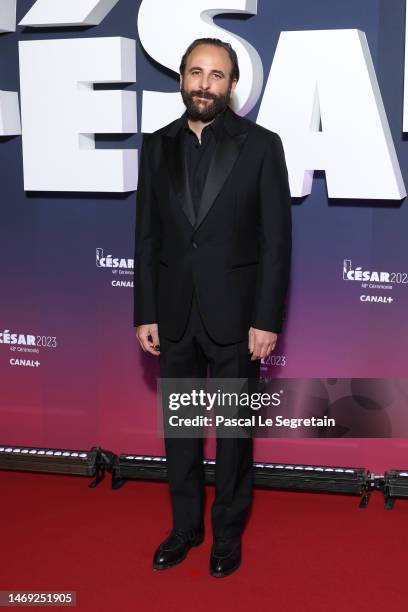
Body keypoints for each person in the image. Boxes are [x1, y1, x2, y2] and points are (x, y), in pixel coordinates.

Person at [134, 37, 292, 577]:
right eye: (196, 72)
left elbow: (276, 242)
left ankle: (226, 533)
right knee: (180, 431)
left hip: (236, 319)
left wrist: (266, 319)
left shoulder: (262, 146)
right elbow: (147, 238)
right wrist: (145, 310)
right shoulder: (156, 147)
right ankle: (184, 528)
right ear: (181, 78)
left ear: (232, 86)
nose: (205, 83)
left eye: (217, 75)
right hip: (174, 316)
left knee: (232, 434)